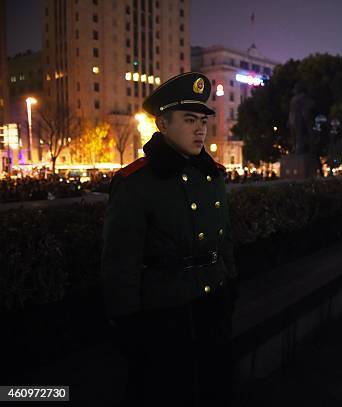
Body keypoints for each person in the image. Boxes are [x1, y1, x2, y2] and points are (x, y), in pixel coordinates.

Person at [100, 72, 238, 406]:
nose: (200, 129)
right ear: (163, 123)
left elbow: (225, 241)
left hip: (212, 303)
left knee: (214, 389)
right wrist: (127, 321)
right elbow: (121, 261)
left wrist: (231, 283)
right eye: (189, 120)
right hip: (164, 313)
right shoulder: (136, 182)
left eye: (202, 121)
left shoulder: (212, 176)